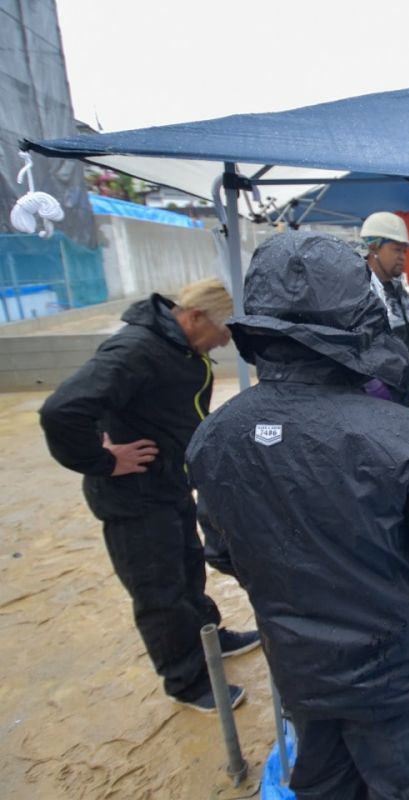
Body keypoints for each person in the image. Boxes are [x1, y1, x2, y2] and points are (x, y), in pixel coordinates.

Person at [186, 231, 409, 800]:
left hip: (300, 668)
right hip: (395, 672)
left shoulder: (214, 437)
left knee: (323, 785)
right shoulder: (398, 434)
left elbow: (222, 553)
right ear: (358, 321)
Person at [39, 278, 259, 713]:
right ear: (195, 317)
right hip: (133, 496)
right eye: (220, 334)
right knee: (159, 590)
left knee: (187, 569)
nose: (221, 344)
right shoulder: (137, 349)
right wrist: (104, 460)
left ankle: (210, 637)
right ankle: (186, 680)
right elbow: (61, 410)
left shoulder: (178, 347)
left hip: (168, 483)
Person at [362, 211, 409, 409]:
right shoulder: (359, 291)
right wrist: (372, 386)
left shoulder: (399, 291)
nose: (403, 257)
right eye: (396, 250)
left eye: (404, 251)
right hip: (376, 399)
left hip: (405, 392)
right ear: (373, 247)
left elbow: (399, 339)